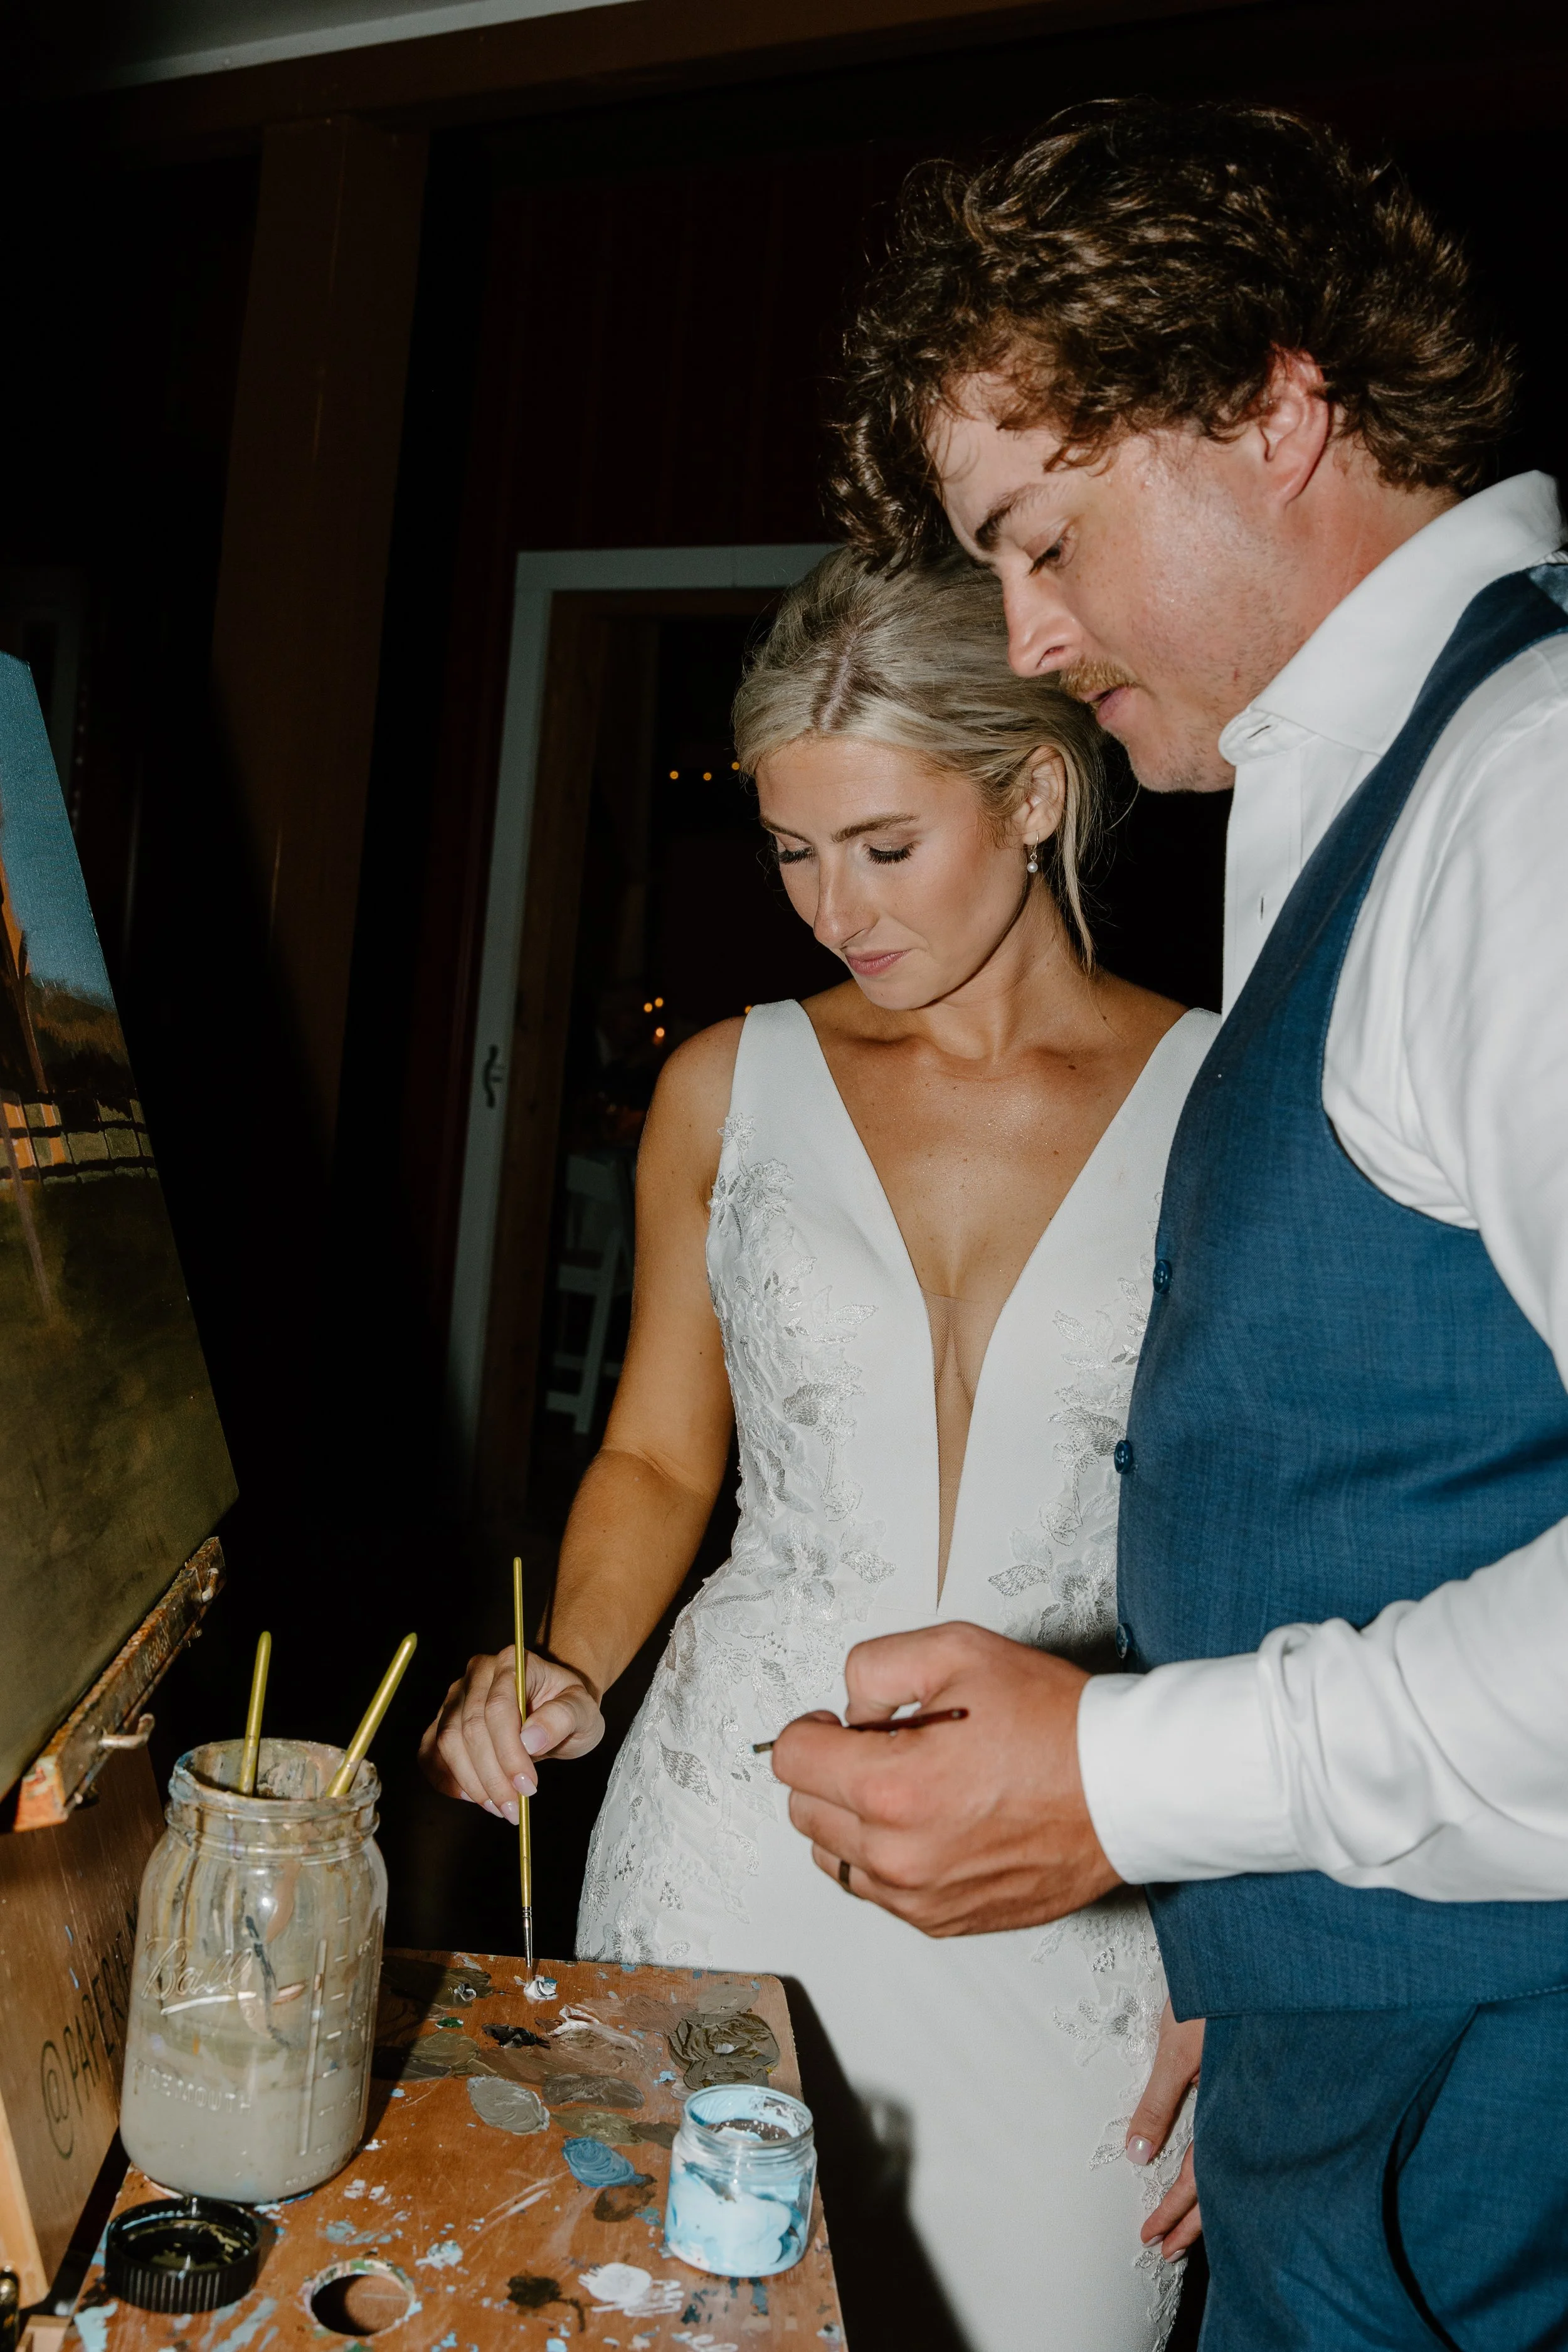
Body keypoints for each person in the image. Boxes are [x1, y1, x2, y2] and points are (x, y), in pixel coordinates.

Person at [773, 94, 1568, 2351]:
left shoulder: (1530, 787)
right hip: (1364, 2052)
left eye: (1043, 539)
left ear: (1274, 404)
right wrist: (1262, 1924)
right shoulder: (1364, 788)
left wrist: (1131, 1784)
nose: (1022, 638)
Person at [421, 549, 1217, 2351]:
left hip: (1075, 1868)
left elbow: (1280, 1548)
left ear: (1030, 791)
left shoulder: (1229, 1106)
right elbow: (647, 1458)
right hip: (733, 1834)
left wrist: (1246, 1954)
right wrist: (567, 1658)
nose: (827, 904)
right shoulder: (724, 1082)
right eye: (789, 850)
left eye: (879, 845)